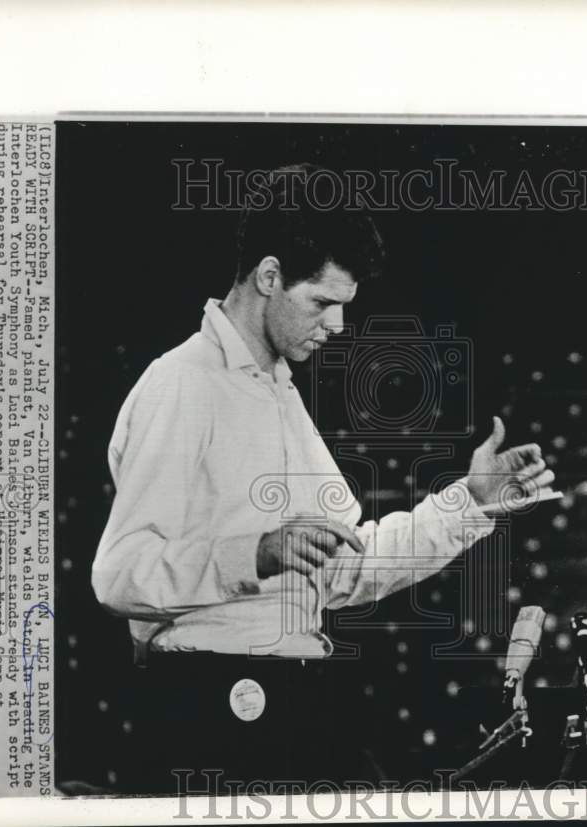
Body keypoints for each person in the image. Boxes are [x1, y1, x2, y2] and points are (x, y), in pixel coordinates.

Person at [91, 164, 554, 793]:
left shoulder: (282, 398)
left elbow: (344, 569)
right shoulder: (182, 383)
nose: (336, 325)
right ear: (270, 276)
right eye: (322, 303)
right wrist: (256, 552)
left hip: (298, 701)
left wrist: (469, 502)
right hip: (214, 704)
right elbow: (118, 576)